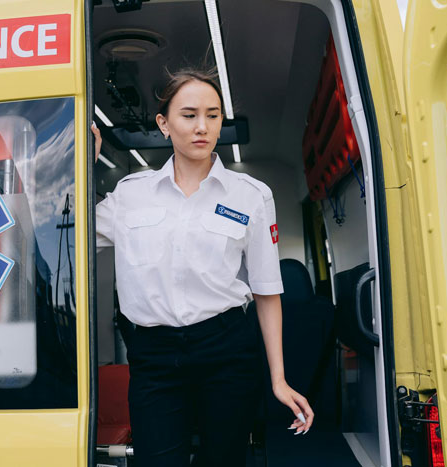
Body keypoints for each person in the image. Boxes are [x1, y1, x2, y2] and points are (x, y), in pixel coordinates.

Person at [93, 68, 313, 467]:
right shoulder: (130, 195)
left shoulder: (251, 196)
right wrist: (78, 167)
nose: (202, 127)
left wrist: (278, 379)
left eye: (212, 115)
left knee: (224, 460)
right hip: (153, 357)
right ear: (164, 124)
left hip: (226, 349)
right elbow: (69, 235)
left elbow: (266, 291)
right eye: (189, 114)